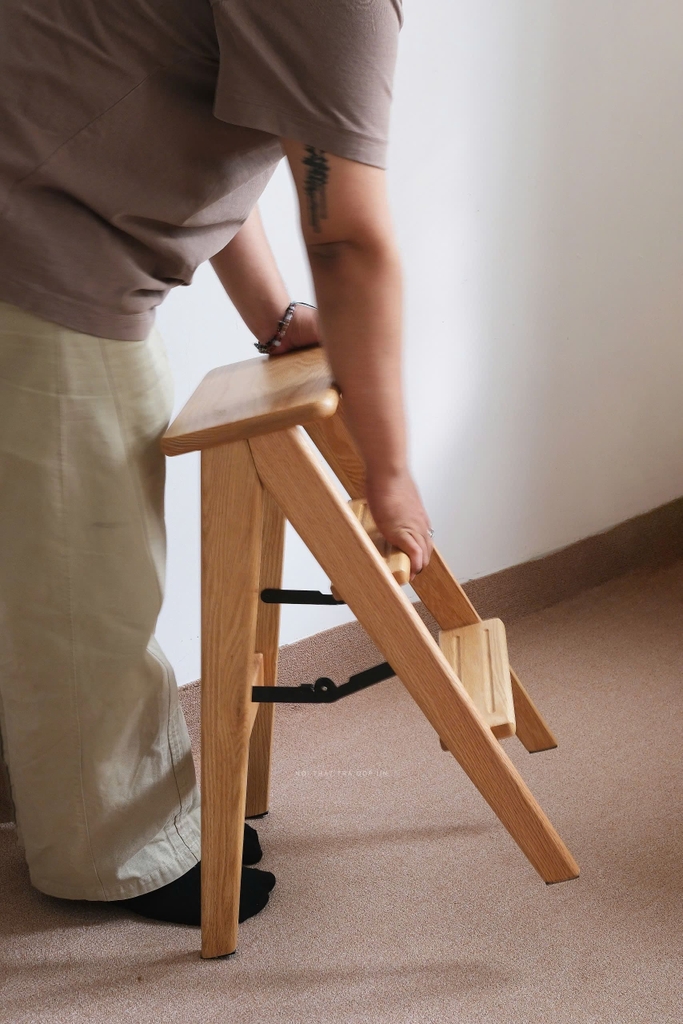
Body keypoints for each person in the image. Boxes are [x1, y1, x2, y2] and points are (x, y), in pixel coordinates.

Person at [0, 0, 433, 927]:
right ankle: (118, 854)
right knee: (85, 586)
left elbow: (223, 116)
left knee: (48, 561)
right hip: (37, 241)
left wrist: (273, 319)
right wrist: (389, 475)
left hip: (40, 213)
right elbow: (346, 238)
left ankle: (69, 804)